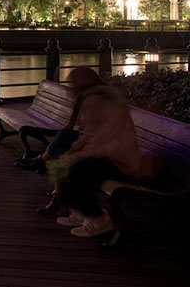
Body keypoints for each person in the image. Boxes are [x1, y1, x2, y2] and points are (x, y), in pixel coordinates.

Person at [42, 67, 153, 237]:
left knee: (72, 170)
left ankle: (98, 219)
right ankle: (81, 211)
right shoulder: (95, 97)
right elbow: (88, 136)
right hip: (111, 156)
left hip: (120, 162)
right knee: (61, 164)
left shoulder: (96, 101)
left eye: (73, 85)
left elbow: (105, 142)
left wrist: (77, 155)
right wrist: (72, 152)